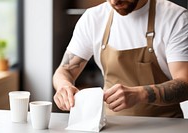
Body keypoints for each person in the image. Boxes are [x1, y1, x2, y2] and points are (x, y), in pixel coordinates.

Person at [53, 0, 188, 118]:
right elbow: (65, 70)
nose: (114, 1)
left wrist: (140, 94)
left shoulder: (175, 17)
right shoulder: (93, 18)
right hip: (111, 123)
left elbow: (185, 83)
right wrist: (64, 86)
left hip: (165, 124)